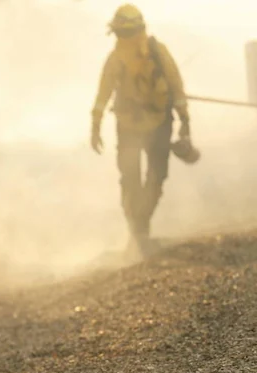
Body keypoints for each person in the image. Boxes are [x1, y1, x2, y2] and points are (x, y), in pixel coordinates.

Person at [91, 4, 191, 256]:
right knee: (131, 180)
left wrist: (184, 118)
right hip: (130, 127)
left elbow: (176, 86)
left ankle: (139, 229)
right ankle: (139, 233)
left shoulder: (157, 53)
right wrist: (95, 124)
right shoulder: (116, 60)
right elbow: (103, 94)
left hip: (156, 123)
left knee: (154, 177)